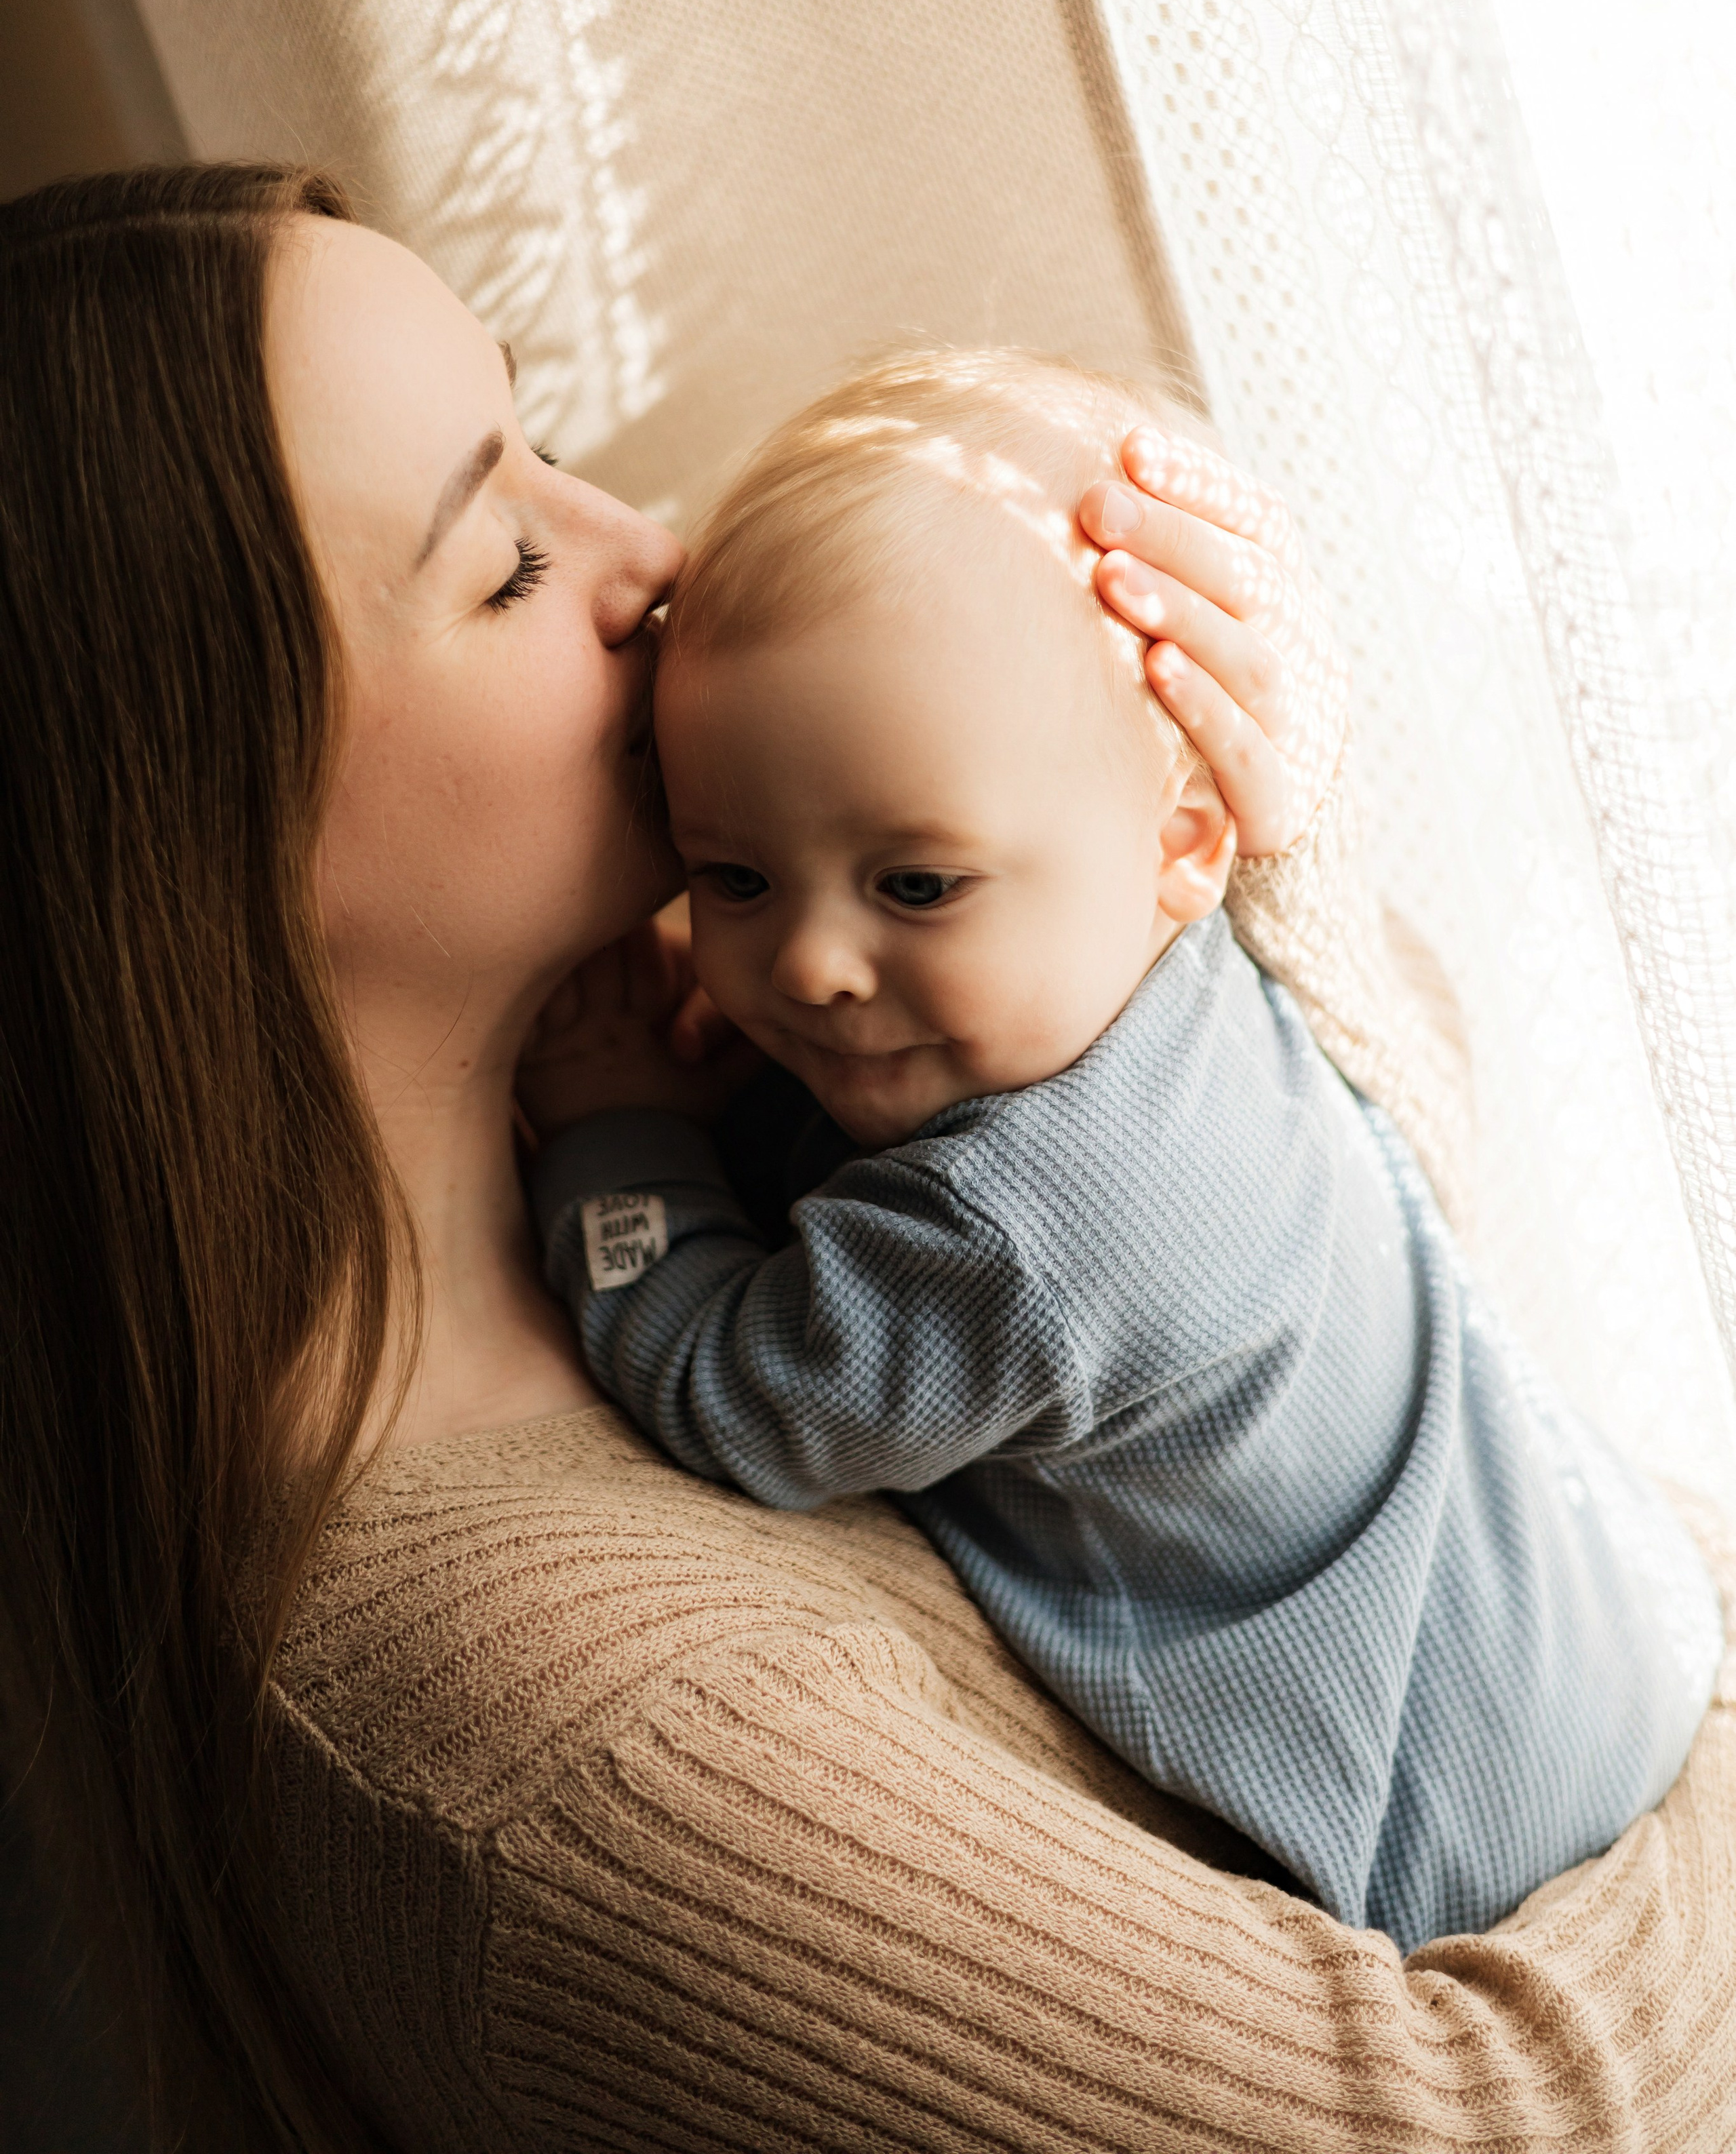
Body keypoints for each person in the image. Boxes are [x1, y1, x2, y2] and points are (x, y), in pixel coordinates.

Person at [0, 163, 1729, 2154]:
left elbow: (1317, 1292)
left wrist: (1197, 835)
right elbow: (1514, 2123)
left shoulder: (714, 1029)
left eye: (549, 451)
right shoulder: (576, 1737)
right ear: (191, 840)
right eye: (499, 562)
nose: (646, 549)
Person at [518, 349, 1722, 1959]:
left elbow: (733, 1391)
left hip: (1463, 1809)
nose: (805, 965)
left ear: (1181, 837)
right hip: (1592, 1593)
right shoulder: (1157, 953)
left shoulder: (1012, 1236)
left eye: (915, 886)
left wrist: (619, 1138)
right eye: (731, 877)